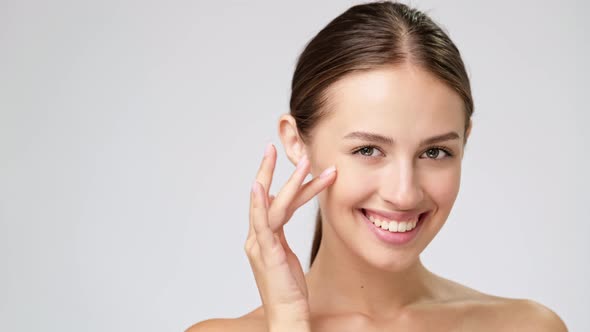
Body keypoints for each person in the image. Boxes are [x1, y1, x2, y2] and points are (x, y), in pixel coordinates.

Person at [188, 1, 567, 331]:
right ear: (295, 142)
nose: (404, 193)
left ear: (464, 140)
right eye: (368, 150)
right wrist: (288, 320)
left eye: (434, 152)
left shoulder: (527, 327)